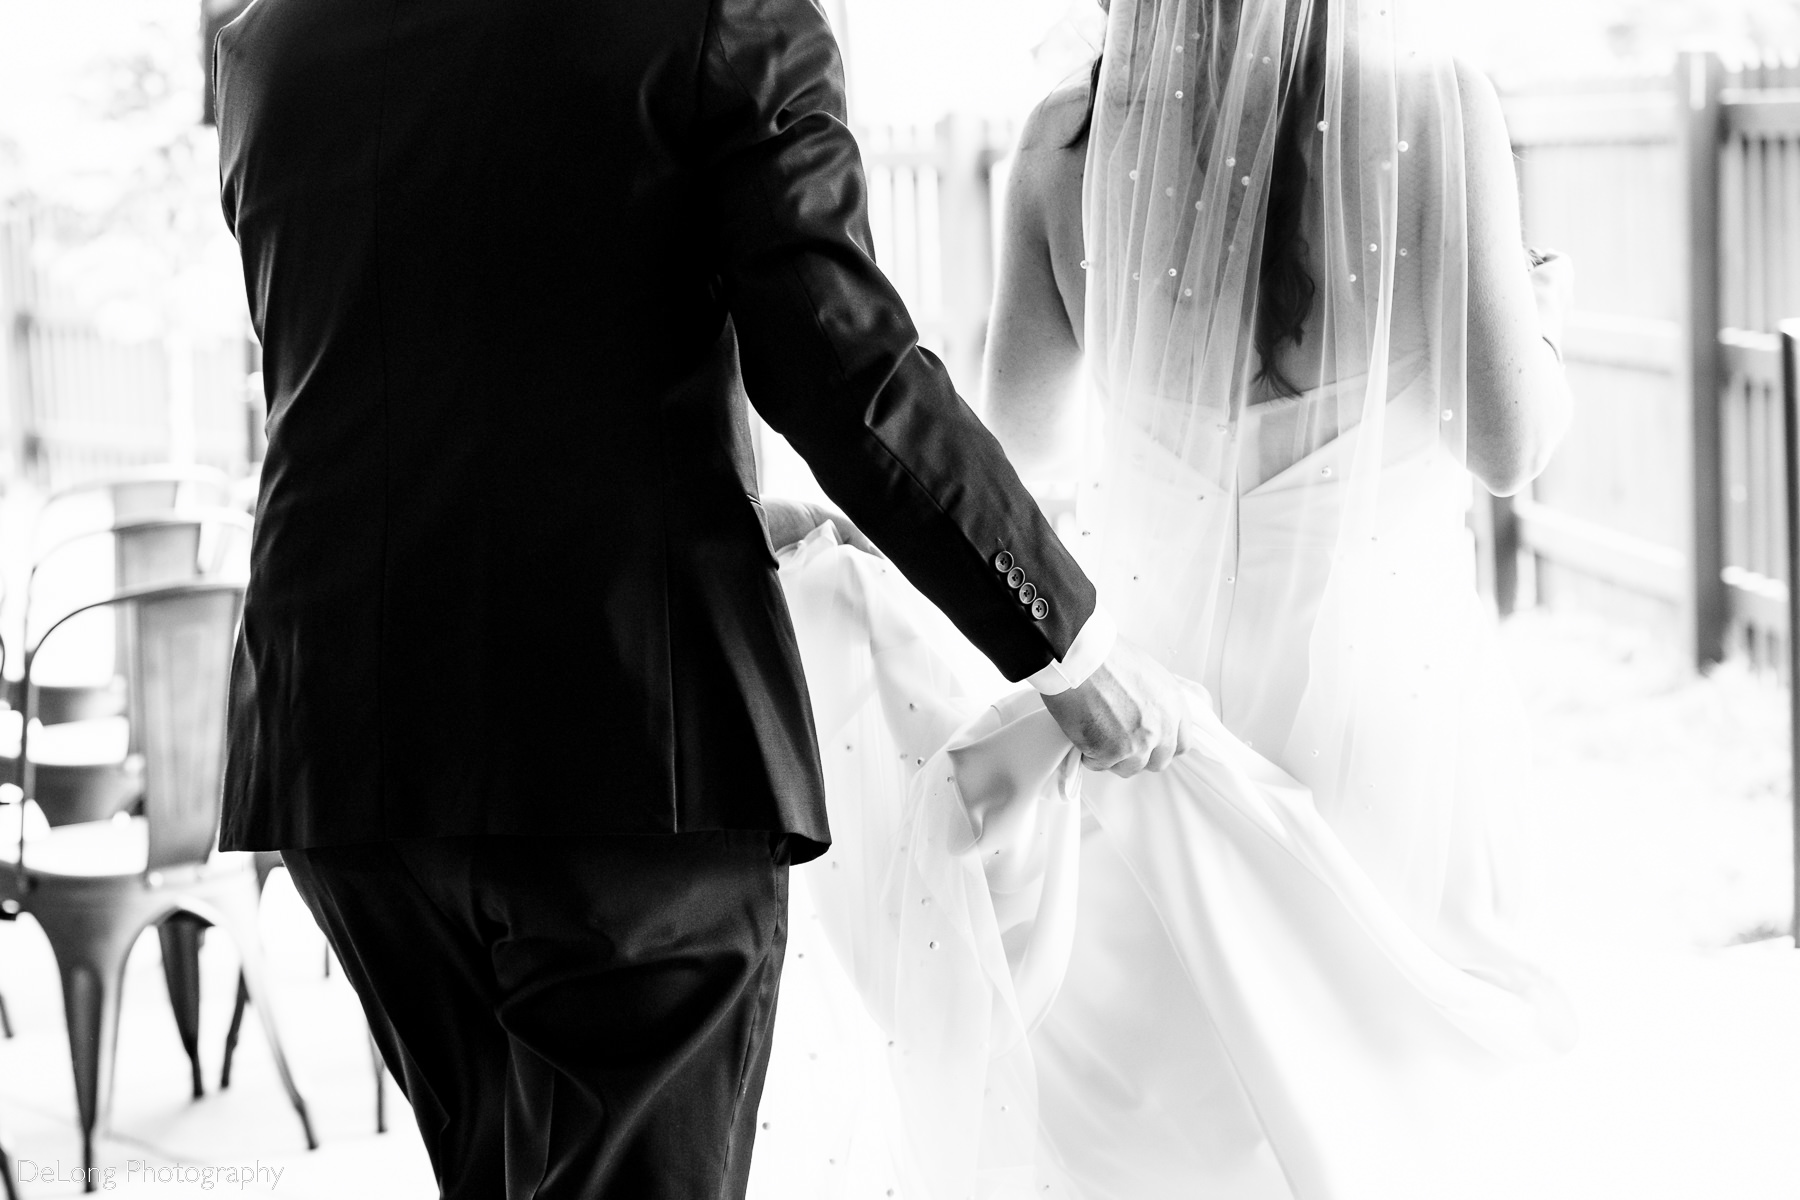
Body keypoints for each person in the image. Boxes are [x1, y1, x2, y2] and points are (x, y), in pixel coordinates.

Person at [208, 1, 1193, 1197]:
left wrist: (709, 494)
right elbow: (845, 367)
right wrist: (1064, 647)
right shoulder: (721, 14)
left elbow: (404, 355)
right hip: (621, 754)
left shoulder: (276, 38)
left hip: (346, 759)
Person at [746, 0, 1578, 1195]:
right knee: (1391, 1114)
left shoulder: (1064, 147)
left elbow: (1015, 455)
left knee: (1181, 1120)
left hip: (1158, 720)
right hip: (1387, 715)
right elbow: (1512, 446)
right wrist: (1539, 309)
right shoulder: (1434, 109)